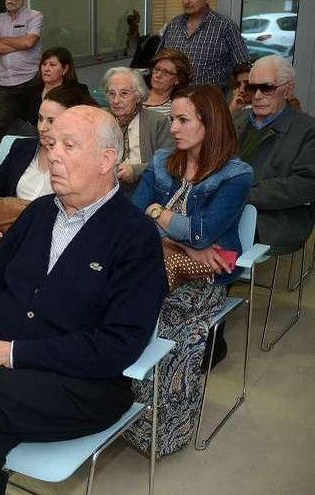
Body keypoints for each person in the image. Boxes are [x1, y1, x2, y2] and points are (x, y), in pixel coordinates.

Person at [0, 106, 168, 495]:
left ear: (107, 160)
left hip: (81, 386)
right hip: (0, 370)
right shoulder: (39, 213)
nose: (53, 154)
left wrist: (8, 354)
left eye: (69, 145)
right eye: (52, 143)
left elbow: (117, 345)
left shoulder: (135, 237)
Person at [127, 84, 252, 456]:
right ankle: (122, 408)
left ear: (209, 123)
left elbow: (202, 232)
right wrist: (179, 241)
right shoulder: (165, 159)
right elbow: (135, 215)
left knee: (167, 323)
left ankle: (164, 426)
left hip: (206, 276)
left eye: (183, 120)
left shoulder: (235, 174)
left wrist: (171, 226)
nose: (174, 128)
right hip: (160, 261)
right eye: (172, 119)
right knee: (127, 306)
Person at [0, 86, 96, 256]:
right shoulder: (22, 149)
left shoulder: (81, 161)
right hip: (10, 233)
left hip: (50, 243)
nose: (42, 127)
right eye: (40, 118)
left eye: (51, 121)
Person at [235, 55, 315, 255]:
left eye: (267, 88)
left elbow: (306, 185)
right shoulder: (238, 120)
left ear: (288, 90)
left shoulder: (308, 130)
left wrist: (239, 193)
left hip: (277, 217)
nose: (257, 95)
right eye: (252, 88)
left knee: (209, 234)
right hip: (227, 207)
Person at [0, 46, 89, 149]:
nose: (46, 69)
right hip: (34, 142)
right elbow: (20, 122)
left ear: (65, 69)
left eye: (52, 65)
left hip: (66, 143)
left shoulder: (78, 91)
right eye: (44, 64)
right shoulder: (30, 91)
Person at [102, 67, 173, 194]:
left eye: (124, 93)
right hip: (105, 189)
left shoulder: (156, 122)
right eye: (111, 94)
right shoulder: (100, 120)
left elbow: (168, 162)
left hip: (144, 188)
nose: (116, 101)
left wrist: (136, 171)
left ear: (139, 96)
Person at [156, 0, 249, 89]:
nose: (187, 1)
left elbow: (242, 66)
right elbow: (159, 60)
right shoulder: (173, 25)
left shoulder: (225, 27)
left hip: (210, 99)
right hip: (175, 95)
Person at [0, 0, 43, 151]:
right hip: (6, 84)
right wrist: (20, 43)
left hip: (30, 81)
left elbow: (29, 42)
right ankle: (0, 166)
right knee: (1, 129)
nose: (9, 1)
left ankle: (32, 163)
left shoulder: (35, 16)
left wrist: (5, 39)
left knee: (32, 127)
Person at [143, 48, 192, 116]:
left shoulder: (176, 107)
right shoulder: (136, 94)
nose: (158, 75)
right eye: (156, 69)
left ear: (177, 79)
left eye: (166, 72)